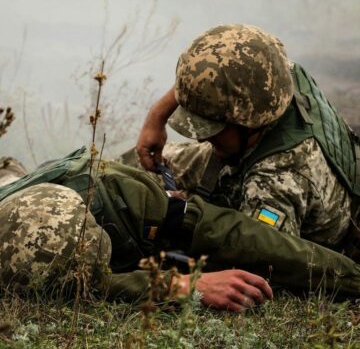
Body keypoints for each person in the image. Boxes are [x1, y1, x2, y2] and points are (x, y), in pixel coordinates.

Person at [1, 148, 360, 313]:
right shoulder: (23, 258)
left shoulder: (127, 199)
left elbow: (233, 233)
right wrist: (182, 285)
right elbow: (94, 285)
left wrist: (351, 279)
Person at [134, 24, 360, 259]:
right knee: (139, 167)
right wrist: (157, 117)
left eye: (213, 127)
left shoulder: (277, 181)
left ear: (249, 120)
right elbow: (214, 70)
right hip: (246, 149)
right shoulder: (270, 76)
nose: (202, 137)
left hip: (284, 204)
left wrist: (185, 215)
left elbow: (255, 265)